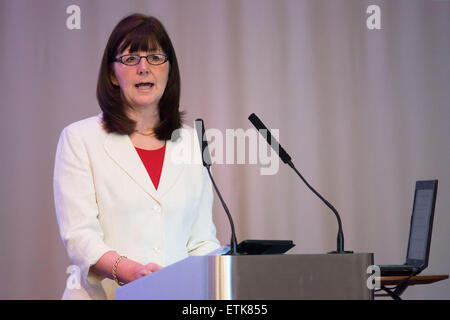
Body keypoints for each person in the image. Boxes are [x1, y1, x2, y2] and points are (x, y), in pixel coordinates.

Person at [53, 13, 220, 300]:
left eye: (155, 57)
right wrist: (131, 271)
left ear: (169, 69)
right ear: (111, 75)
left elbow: (201, 239)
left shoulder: (193, 141)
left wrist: (223, 271)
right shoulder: (79, 138)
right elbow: (80, 238)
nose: (144, 68)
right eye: (131, 59)